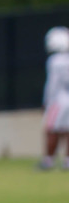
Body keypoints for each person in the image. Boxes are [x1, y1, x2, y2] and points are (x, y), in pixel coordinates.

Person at [38, 26, 69, 171]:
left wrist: (46, 102)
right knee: (67, 130)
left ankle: (48, 160)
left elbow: (52, 84)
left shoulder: (55, 60)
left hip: (58, 100)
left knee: (51, 130)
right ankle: (67, 161)